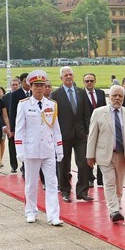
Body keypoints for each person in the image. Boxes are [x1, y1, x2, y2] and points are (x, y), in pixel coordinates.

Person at [15, 70, 64, 225]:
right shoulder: (24, 105)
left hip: (48, 150)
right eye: (36, 85)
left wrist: (59, 149)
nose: (39, 88)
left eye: (42, 85)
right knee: (30, 184)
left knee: (52, 183)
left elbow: (56, 129)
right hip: (31, 150)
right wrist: (20, 151)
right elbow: (19, 130)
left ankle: (53, 215)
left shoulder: (52, 105)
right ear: (31, 86)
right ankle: (31, 212)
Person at [86, 85, 125, 222]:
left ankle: (117, 205)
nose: (117, 98)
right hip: (105, 154)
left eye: (120, 96)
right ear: (110, 97)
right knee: (109, 182)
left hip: (122, 154)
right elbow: (92, 136)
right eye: (114, 95)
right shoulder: (98, 112)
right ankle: (114, 210)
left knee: (119, 185)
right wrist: (90, 156)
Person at [50, 66, 91, 202]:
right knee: (63, 165)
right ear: (61, 78)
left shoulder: (81, 93)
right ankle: (65, 191)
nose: (68, 77)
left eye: (70, 75)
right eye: (66, 75)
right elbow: (53, 118)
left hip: (80, 135)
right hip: (63, 135)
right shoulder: (55, 95)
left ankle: (82, 191)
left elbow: (86, 114)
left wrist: (87, 132)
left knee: (84, 163)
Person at [83, 73, 107, 187]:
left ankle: (101, 179)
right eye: (87, 81)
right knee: (89, 153)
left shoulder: (100, 93)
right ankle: (89, 178)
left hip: (101, 128)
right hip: (87, 129)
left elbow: (106, 110)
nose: (89, 83)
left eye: (91, 81)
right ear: (84, 82)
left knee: (102, 153)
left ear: (95, 81)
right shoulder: (81, 94)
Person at [8, 73, 31, 174]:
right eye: (26, 80)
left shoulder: (33, 92)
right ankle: (15, 165)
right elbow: (12, 112)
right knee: (18, 146)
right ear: (21, 82)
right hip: (20, 124)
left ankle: (25, 166)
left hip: (31, 125)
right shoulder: (15, 94)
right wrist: (12, 129)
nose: (28, 82)